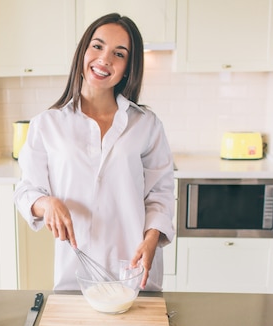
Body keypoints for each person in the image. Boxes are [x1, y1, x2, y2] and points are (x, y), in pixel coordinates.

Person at [14, 13, 175, 291]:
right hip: (75, 275)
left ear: (128, 67)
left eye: (119, 53)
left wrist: (151, 241)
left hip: (135, 272)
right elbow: (27, 190)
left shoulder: (146, 124)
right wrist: (47, 204)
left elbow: (160, 194)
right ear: (83, 52)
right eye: (97, 46)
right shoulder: (47, 124)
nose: (105, 59)